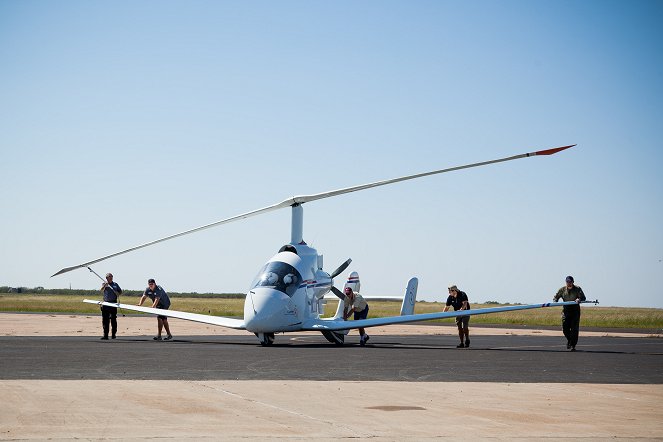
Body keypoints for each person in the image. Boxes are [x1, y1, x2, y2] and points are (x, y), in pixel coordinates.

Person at [553, 275, 586, 351]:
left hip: (575, 310)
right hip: (566, 310)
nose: (569, 283)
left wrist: (579, 299)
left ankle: (573, 345)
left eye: (570, 282)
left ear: (573, 282)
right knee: (565, 328)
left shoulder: (577, 289)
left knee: (574, 329)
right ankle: (570, 340)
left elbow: (583, 298)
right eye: (567, 282)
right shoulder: (562, 290)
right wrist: (555, 301)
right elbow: (556, 297)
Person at [99, 273, 122, 340]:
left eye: (111, 276)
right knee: (105, 320)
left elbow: (120, 292)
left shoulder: (115, 284)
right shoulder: (104, 284)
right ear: (106, 278)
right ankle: (105, 335)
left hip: (113, 303)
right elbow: (101, 290)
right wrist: (105, 286)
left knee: (113, 319)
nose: (111, 278)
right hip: (106, 304)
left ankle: (113, 334)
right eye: (109, 277)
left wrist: (117, 292)